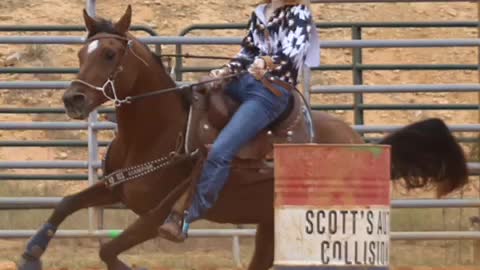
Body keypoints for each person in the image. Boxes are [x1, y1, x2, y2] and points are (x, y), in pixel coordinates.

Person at [158, 0, 320, 242]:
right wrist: (224, 71)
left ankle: (187, 215)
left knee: (221, 150)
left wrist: (263, 63)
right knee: (193, 94)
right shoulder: (260, 13)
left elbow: (291, 53)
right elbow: (247, 51)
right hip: (243, 81)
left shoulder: (299, 13)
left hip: (270, 91)